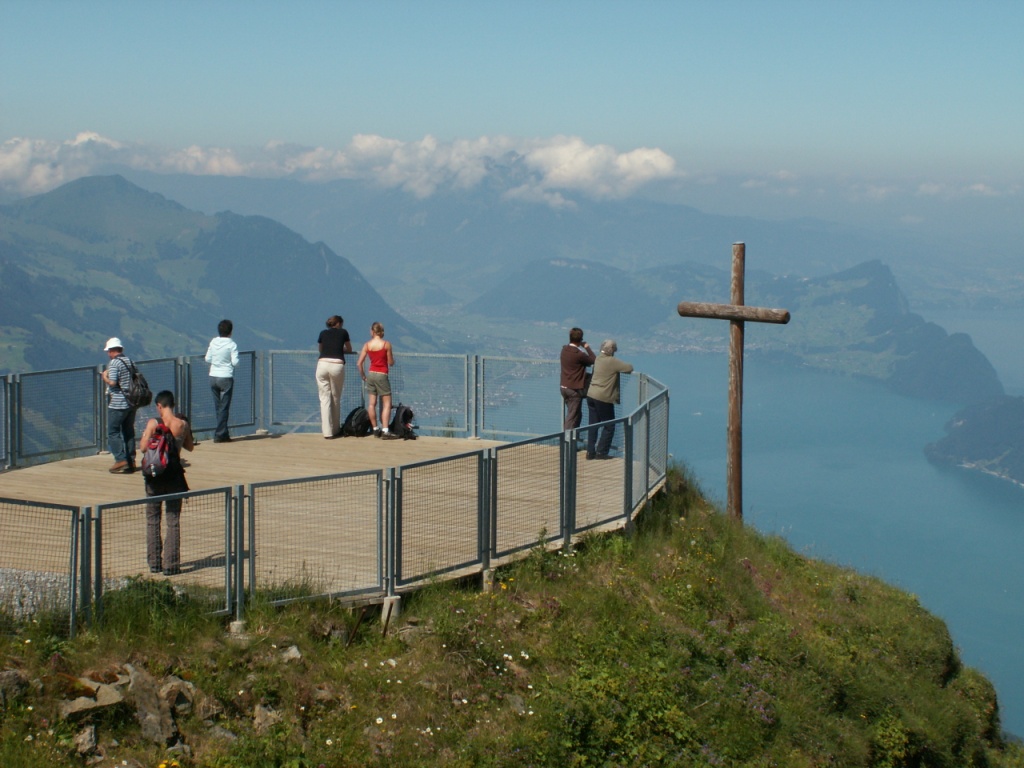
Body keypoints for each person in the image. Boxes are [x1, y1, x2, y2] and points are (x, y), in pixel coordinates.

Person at [140, 391, 195, 576]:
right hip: (174, 477)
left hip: (154, 478)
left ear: (159, 406)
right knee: (173, 521)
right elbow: (190, 447)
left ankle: (154, 563)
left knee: (152, 519)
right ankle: (171, 565)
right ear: (173, 404)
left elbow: (143, 447)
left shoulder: (153, 423)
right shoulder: (182, 424)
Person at [585, 339, 634, 460]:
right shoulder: (612, 361)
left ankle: (590, 452)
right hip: (603, 397)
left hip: (591, 394)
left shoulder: (598, 359)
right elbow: (629, 368)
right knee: (609, 425)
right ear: (612, 350)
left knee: (593, 424)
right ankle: (601, 452)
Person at [101, 337, 138, 474]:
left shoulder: (114, 363)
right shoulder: (130, 361)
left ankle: (120, 459)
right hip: (131, 401)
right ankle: (131, 460)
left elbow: (113, 382)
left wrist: (104, 377)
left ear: (112, 350)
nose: (108, 354)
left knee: (113, 432)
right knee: (128, 431)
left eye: (108, 351)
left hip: (118, 403)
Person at [356, 322, 399, 439]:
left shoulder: (367, 345)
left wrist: (363, 375)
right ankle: (385, 430)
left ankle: (375, 429)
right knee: (387, 403)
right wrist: (392, 361)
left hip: (371, 374)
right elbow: (390, 362)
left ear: (372, 331)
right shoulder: (386, 344)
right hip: (382, 374)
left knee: (371, 404)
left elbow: (359, 363)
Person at [316, 315, 353, 439]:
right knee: (335, 397)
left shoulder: (323, 333)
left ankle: (327, 432)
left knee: (324, 398)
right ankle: (336, 428)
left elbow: (321, 349)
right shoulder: (343, 332)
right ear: (339, 323)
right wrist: (340, 350)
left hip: (322, 364)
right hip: (337, 364)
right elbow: (349, 349)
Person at [205, 319, 239, 443]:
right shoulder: (232, 345)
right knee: (224, 407)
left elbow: (208, 359)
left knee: (218, 407)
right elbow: (235, 362)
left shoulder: (213, 342)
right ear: (230, 332)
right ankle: (219, 435)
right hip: (225, 377)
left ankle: (224, 433)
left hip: (213, 376)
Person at [560, 327, 596, 431]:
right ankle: (567, 439)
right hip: (574, 390)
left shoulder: (564, 350)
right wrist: (587, 347)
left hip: (564, 387)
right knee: (572, 416)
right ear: (580, 340)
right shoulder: (579, 354)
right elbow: (593, 360)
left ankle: (574, 438)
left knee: (576, 414)